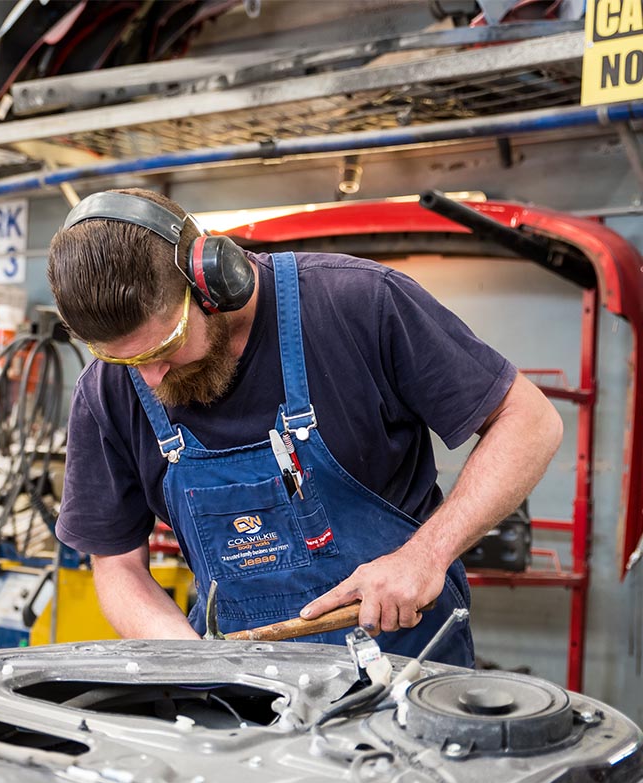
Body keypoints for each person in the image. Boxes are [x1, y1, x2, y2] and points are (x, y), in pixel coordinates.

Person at [48, 187, 563, 665]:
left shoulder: (359, 304)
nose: (149, 376)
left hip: (404, 672)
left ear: (212, 280)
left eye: (164, 347)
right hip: (244, 691)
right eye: (124, 360)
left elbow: (529, 420)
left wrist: (425, 556)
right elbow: (117, 567)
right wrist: (195, 663)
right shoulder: (106, 392)